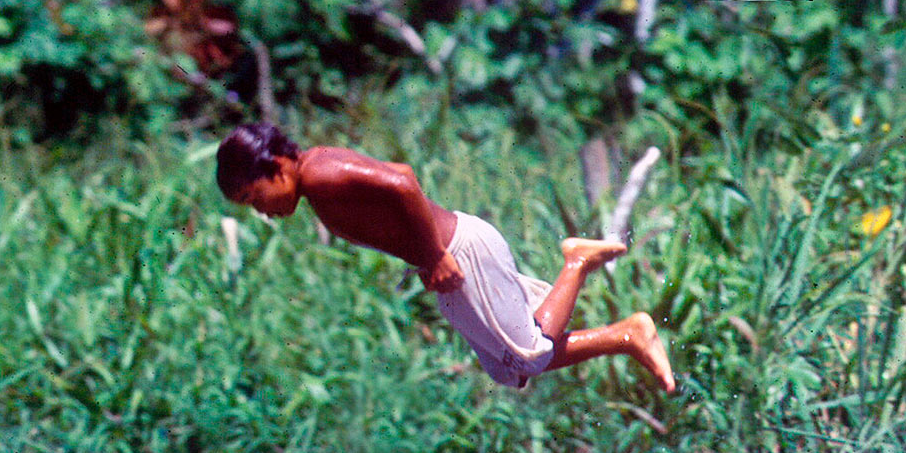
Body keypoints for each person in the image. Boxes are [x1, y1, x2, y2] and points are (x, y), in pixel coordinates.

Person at [215, 123, 676, 392]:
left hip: (457, 252)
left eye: (257, 198)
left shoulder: (320, 172)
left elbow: (402, 179)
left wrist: (434, 256)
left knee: (529, 354)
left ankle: (576, 262)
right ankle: (625, 335)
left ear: (276, 168)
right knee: (508, 368)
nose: (264, 213)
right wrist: (426, 262)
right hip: (444, 264)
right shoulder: (316, 182)